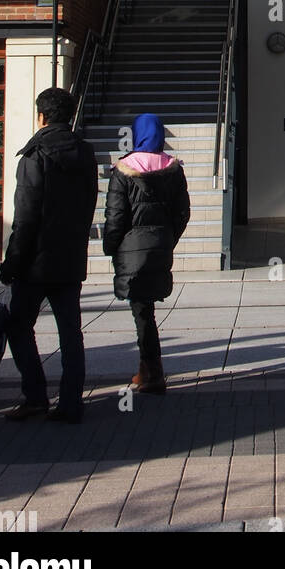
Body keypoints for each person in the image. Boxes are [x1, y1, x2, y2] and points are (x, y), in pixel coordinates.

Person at [0, 87, 99, 424]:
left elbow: (25, 216)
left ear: (41, 116)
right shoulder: (85, 153)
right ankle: (71, 404)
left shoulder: (35, 155)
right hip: (70, 257)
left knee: (18, 325)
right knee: (70, 332)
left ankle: (36, 396)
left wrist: (13, 262)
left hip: (35, 262)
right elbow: (88, 204)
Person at [103, 113, 190, 394]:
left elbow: (115, 217)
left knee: (142, 311)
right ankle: (147, 370)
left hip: (131, 249)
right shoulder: (174, 170)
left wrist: (111, 246)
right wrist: (168, 238)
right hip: (160, 245)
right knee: (146, 309)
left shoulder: (123, 170)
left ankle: (153, 373)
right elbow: (183, 213)